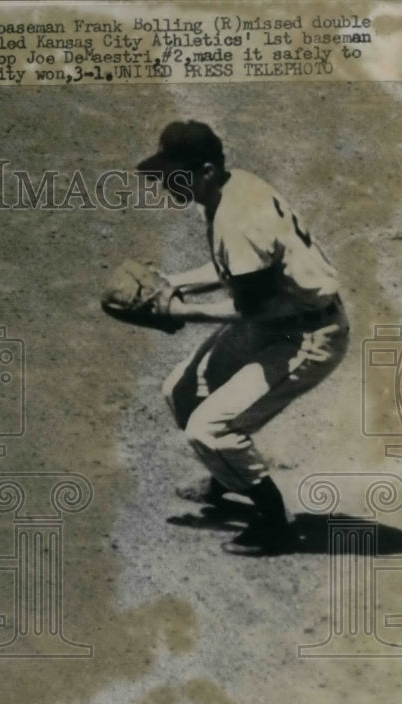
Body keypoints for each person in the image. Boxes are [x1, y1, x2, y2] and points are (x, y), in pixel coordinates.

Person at [136, 120, 349, 556]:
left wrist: (178, 309)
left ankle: (274, 523)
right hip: (274, 317)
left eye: (177, 175)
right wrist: (172, 282)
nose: (166, 185)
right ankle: (224, 481)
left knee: (211, 428)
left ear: (208, 170)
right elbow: (238, 272)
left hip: (307, 334)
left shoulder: (237, 220)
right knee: (181, 390)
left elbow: (247, 306)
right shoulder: (232, 189)